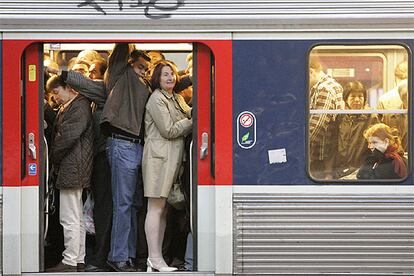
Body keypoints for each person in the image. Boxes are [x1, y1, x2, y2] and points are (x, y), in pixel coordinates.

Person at [143, 60, 192, 272]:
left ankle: (156, 258)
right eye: (165, 74)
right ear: (157, 79)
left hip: (171, 159)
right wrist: (194, 120)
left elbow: (188, 113)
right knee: (155, 208)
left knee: (162, 210)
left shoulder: (177, 98)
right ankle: (154, 258)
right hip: (158, 159)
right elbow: (169, 130)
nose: (170, 77)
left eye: (171, 73)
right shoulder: (156, 99)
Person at [45, 75, 94, 272]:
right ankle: (78, 258)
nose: (55, 98)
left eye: (56, 92)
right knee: (76, 215)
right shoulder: (76, 105)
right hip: (75, 165)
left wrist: (53, 156)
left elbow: (66, 137)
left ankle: (70, 260)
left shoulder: (79, 106)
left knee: (69, 216)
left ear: (68, 87)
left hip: (72, 166)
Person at [309, 57, 344, 179]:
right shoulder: (323, 86)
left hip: (322, 157)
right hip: (325, 156)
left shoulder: (325, 88)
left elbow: (317, 125)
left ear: (311, 72)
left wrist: (297, 146)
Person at [336, 81, 379, 178]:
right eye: (353, 96)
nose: (357, 100)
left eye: (360, 96)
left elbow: (377, 147)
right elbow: (333, 145)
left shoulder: (372, 118)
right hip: (339, 170)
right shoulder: (340, 117)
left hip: (362, 171)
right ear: (346, 99)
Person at [377, 61, 408, 150]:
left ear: (396, 78)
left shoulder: (384, 99)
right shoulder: (385, 100)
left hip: (393, 150)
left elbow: (380, 131)